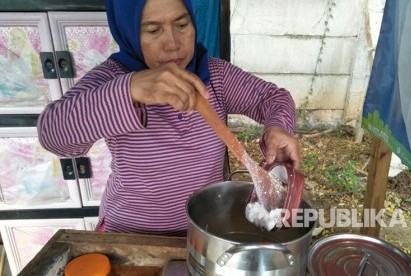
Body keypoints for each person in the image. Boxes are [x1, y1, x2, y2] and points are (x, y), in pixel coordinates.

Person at [37, 0, 300, 235]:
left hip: (204, 230)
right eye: (153, 30)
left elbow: (273, 98)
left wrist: (278, 126)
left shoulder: (215, 76)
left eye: (182, 24)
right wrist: (131, 90)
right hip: (130, 234)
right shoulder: (112, 80)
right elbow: (53, 135)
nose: (173, 43)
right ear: (128, 30)